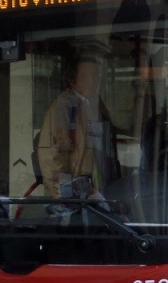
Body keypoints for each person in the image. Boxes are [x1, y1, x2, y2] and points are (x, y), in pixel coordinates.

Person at [37, 55, 118, 204]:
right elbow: (53, 158)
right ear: (72, 80)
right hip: (77, 196)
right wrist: (68, 197)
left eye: (96, 75)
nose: (93, 81)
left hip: (97, 190)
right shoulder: (64, 107)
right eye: (87, 76)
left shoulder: (96, 104)